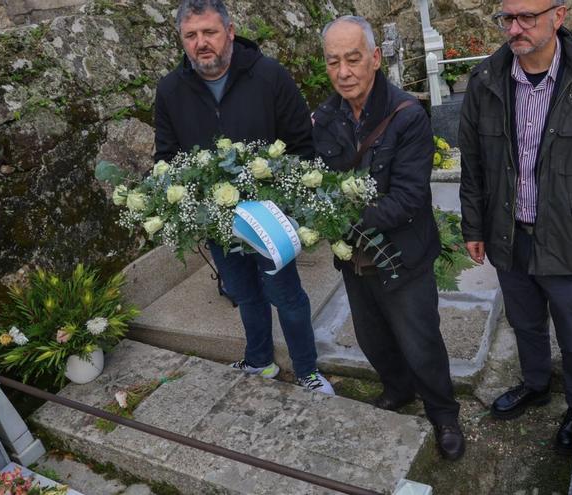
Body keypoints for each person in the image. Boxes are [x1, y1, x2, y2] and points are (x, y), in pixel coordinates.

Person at [458, 0, 572, 453]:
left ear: (559, 16)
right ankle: (536, 384)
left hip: (570, 236)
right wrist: (474, 227)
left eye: (527, 18)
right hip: (508, 231)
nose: (514, 29)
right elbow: (474, 165)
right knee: (525, 322)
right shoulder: (485, 81)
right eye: (506, 19)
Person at [154, 0, 333, 394]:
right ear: (182, 40)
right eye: (191, 35)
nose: (202, 43)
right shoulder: (170, 90)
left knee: (285, 294)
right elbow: (165, 157)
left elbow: (303, 144)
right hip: (217, 222)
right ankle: (260, 361)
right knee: (242, 292)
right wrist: (187, 201)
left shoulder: (269, 76)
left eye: (210, 32)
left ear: (230, 32)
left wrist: (292, 204)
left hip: (270, 217)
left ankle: (307, 371)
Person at [312, 16, 465, 460]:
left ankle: (443, 413)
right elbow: (318, 181)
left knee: (421, 341)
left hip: (403, 256)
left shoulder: (408, 116)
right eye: (334, 61)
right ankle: (398, 390)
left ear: (375, 59)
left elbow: (409, 198)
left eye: (353, 59)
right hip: (355, 260)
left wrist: (336, 216)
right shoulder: (325, 117)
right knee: (372, 337)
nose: (344, 72)